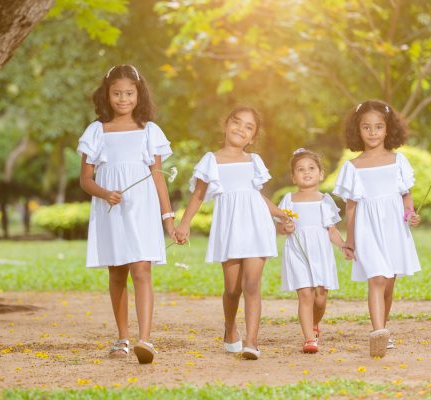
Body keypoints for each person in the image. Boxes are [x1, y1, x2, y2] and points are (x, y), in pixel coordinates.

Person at [78, 64, 176, 364]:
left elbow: (158, 176)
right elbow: (85, 179)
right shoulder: (96, 131)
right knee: (117, 273)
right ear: (106, 95)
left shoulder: (149, 131)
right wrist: (105, 193)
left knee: (142, 270)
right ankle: (122, 338)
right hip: (111, 210)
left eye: (129, 93)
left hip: (142, 210)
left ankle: (145, 339)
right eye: (117, 93)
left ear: (139, 94)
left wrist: (168, 218)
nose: (123, 99)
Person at [175, 106, 286, 360]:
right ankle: (230, 327)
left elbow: (257, 196)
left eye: (249, 127)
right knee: (233, 288)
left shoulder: (254, 161)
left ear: (252, 137)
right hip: (231, 227)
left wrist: (280, 214)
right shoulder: (211, 160)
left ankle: (252, 341)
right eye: (237, 123)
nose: (241, 129)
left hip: (257, 224)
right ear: (226, 125)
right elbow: (199, 195)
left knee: (251, 284)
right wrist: (184, 223)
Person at [333, 100, 421, 358]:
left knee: (389, 281)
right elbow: (350, 206)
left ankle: (384, 329)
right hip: (366, 228)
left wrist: (410, 214)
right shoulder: (353, 167)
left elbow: (406, 196)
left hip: (393, 226)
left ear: (388, 129)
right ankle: (378, 332)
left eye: (378, 127)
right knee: (378, 278)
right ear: (357, 131)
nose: (372, 132)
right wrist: (349, 239)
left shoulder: (398, 161)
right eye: (366, 127)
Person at [277, 148, 351, 354]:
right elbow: (281, 227)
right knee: (305, 295)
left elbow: (332, 230)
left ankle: (314, 324)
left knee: (320, 297)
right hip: (297, 252)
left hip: (320, 253)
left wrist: (344, 244)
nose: (306, 172)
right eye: (300, 169)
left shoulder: (324, 200)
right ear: (293, 177)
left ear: (321, 174)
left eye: (311, 168)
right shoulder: (288, 200)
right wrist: (285, 227)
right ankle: (309, 338)